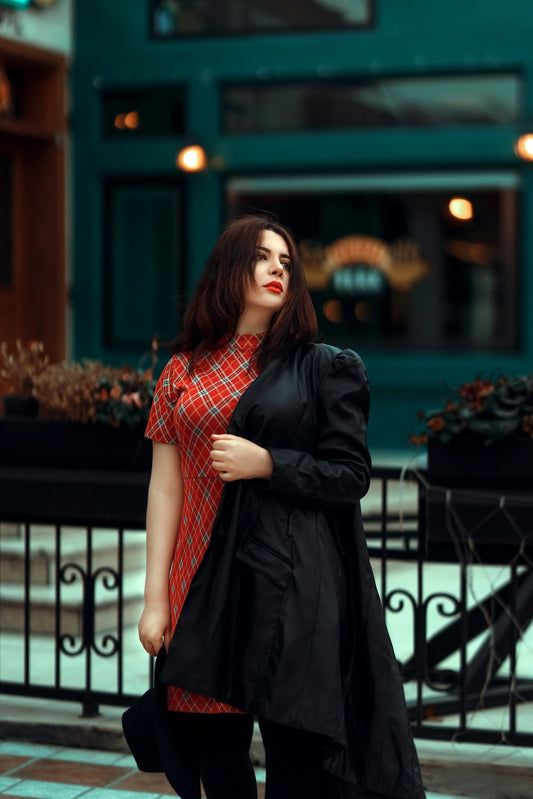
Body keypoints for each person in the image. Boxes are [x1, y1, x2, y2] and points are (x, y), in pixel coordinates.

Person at [136, 214, 426, 799]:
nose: (277, 269)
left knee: (295, 756)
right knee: (215, 756)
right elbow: (165, 487)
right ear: (227, 270)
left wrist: (268, 463)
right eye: (262, 257)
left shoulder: (320, 368)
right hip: (199, 581)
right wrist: (155, 597)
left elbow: (351, 476)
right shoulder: (181, 370)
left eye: (286, 261)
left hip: (281, 583)